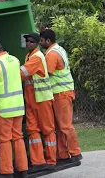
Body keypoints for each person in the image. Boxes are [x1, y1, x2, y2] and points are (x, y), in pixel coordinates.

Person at [39, 29, 82, 163]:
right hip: (63, 92)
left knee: (65, 125)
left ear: (48, 41)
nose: (40, 43)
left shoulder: (51, 55)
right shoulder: (59, 49)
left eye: (41, 41)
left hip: (61, 93)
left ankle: (75, 152)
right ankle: (63, 154)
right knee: (60, 126)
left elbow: (47, 74)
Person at [0, 40, 28, 178]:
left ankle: (6, 171)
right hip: (18, 106)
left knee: (4, 140)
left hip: (4, 108)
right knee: (18, 137)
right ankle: (23, 169)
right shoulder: (15, 60)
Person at [19, 33, 56, 173]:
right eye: (26, 41)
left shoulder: (37, 57)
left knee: (47, 130)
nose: (28, 43)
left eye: (31, 41)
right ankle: (38, 162)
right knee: (32, 130)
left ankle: (51, 161)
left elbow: (21, 74)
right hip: (31, 99)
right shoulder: (29, 56)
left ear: (37, 44)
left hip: (42, 99)